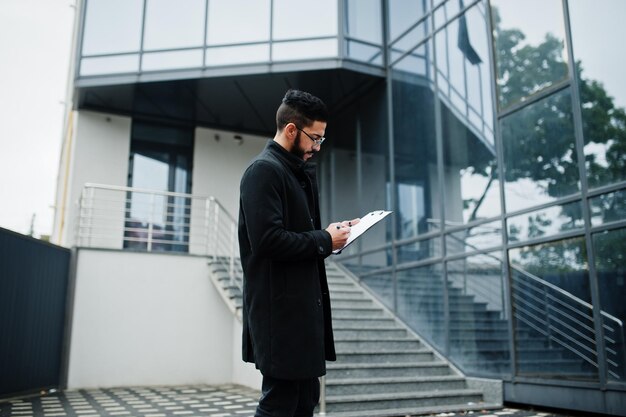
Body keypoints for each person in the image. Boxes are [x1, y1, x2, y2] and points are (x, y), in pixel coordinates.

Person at [238, 89, 359, 417]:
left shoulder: (293, 173)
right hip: (281, 319)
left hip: (301, 317)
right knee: (280, 405)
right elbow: (267, 240)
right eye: (315, 138)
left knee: (305, 401)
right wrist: (323, 240)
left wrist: (334, 235)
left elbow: (299, 237)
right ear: (291, 130)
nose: (318, 146)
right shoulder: (263, 171)